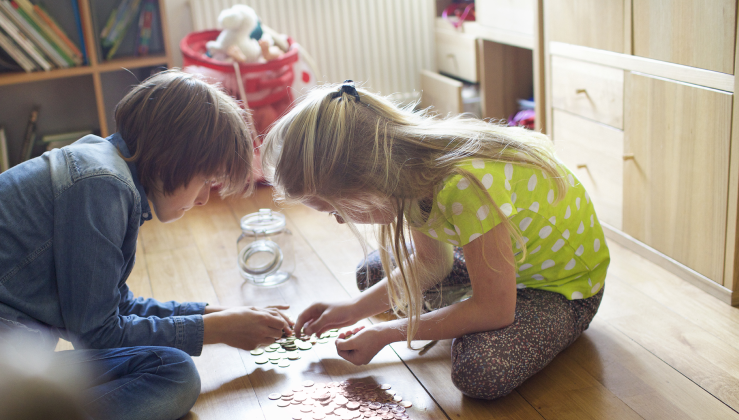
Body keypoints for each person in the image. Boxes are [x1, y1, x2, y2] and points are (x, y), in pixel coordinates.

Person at [0, 70, 294, 420]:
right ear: (175, 156)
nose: (205, 198)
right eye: (206, 179)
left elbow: (113, 306)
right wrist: (216, 329)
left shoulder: (108, 173)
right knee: (172, 372)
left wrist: (214, 314)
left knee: (166, 369)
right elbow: (98, 333)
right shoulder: (102, 184)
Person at [260, 81, 609, 399]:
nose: (338, 220)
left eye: (336, 210)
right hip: (503, 259)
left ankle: (504, 309)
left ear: (365, 181)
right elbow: (432, 262)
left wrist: (388, 334)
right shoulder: (402, 171)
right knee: (370, 276)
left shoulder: (465, 186)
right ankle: (464, 302)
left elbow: (495, 310)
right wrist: (351, 310)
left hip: (565, 290)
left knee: (480, 370)